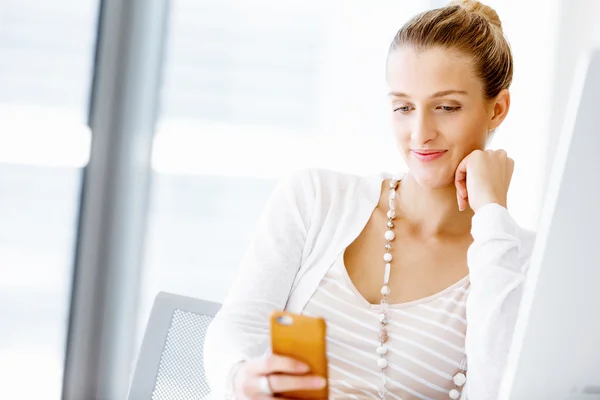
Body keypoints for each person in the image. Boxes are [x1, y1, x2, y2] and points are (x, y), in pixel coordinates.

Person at [204, 1, 536, 399]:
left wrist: (493, 216)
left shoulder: (520, 263)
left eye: (446, 107)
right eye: (403, 107)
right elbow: (238, 324)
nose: (419, 133)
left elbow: (500, 389)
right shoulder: (315, 199)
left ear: (497, 109)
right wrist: (243, 377)